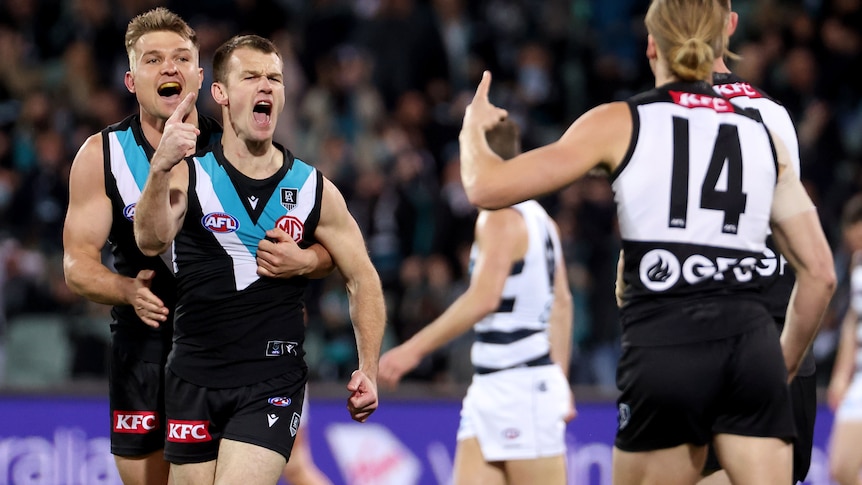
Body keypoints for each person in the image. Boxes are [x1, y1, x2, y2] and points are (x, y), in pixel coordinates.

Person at [458, 0, 836, 483]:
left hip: (667, 342)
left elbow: (486, 187)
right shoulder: (766, 128)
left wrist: (473, 130)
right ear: (727, 32)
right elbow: (820, 274)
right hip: (754, 343)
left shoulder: (624, 122)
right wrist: (776, 370)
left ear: (651, 44)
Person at [62, 9, 333, 485]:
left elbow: (326, 238)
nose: (170, 68)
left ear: (201, 75)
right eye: (153, 60)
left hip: (236, 352)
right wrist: (126, 290)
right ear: (130, 79)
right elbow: (76, 265)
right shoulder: (101, 155)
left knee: (285, 468)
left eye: (182, 58)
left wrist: (307, 259)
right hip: (145, 348)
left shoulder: (234, 141)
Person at [133, 34, 384, 485]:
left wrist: (369, 368)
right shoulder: (189, 174)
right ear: (221, 94)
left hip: (272, 380)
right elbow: (150, 241)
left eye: (275, 78)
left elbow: (362, 276)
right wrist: (159, 168)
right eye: (250, 77)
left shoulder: (313, 189)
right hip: (193, 375)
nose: (266, 87)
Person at [379, 119, 575, 485]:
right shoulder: (542, 219)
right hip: (496, 387)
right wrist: (560, 381)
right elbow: (562, 303)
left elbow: (483, 298)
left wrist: (413, 349)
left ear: (481, 156)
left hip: (520, 388)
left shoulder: (498, 217)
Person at [693, 1, 817, 484]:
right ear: (732, 24)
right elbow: (799, 246)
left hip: (695, 325)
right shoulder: (774, 114)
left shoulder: (654, 115)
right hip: (773, 318)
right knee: (779, 470)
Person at [826, 194, 862, 485]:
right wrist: (840, 374)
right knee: (841, 467)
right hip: (860, 377)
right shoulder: (857, 260)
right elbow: (853, 317)